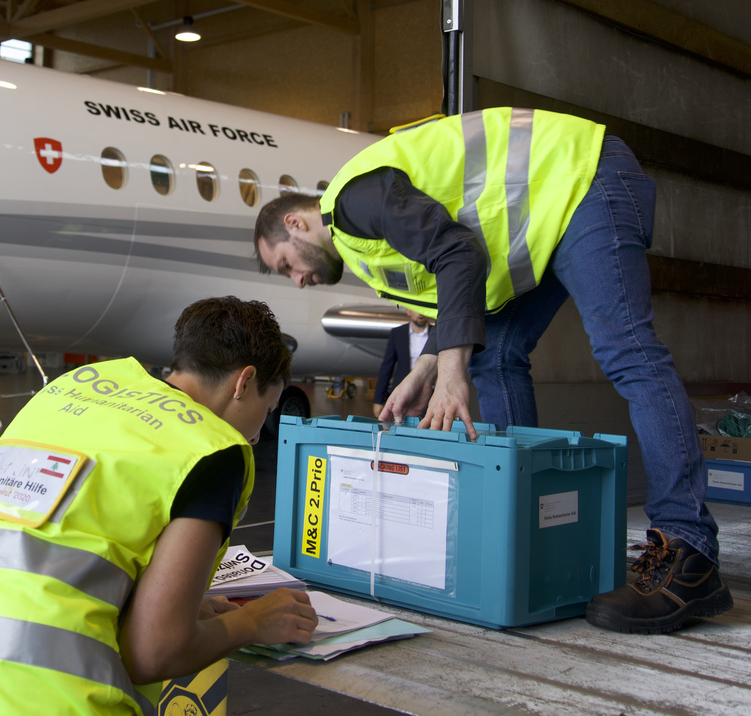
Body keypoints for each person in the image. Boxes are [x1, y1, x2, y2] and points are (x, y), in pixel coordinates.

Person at [252, 107, 730, 635]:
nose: (295, 280)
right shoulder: (357, 243)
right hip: (544, 213)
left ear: (296, 223)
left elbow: (458, 254)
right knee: (495, 357)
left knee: (627, 351)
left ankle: (689, 553)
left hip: (581, 178)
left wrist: (451, 372)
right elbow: (456, 283)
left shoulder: (353, 201)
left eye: (284, 265)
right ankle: (527, 543)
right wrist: (426, 371)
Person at [0, 297, 318, 716]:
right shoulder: (209, 448)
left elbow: (52, 556)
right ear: (244, 382)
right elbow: (154, 652)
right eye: (268, 408)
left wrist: (186, 610)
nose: (259, 432)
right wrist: (253, 623)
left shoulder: (72, 391)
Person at [372, 309, 433, 418]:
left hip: (430, 395)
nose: (421, 312)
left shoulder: (436, 334)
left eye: (423, 308)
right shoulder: (397, 333)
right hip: (402, 392)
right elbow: (387, 367)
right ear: (408, 311)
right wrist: (378, 400)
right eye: (416, 308)